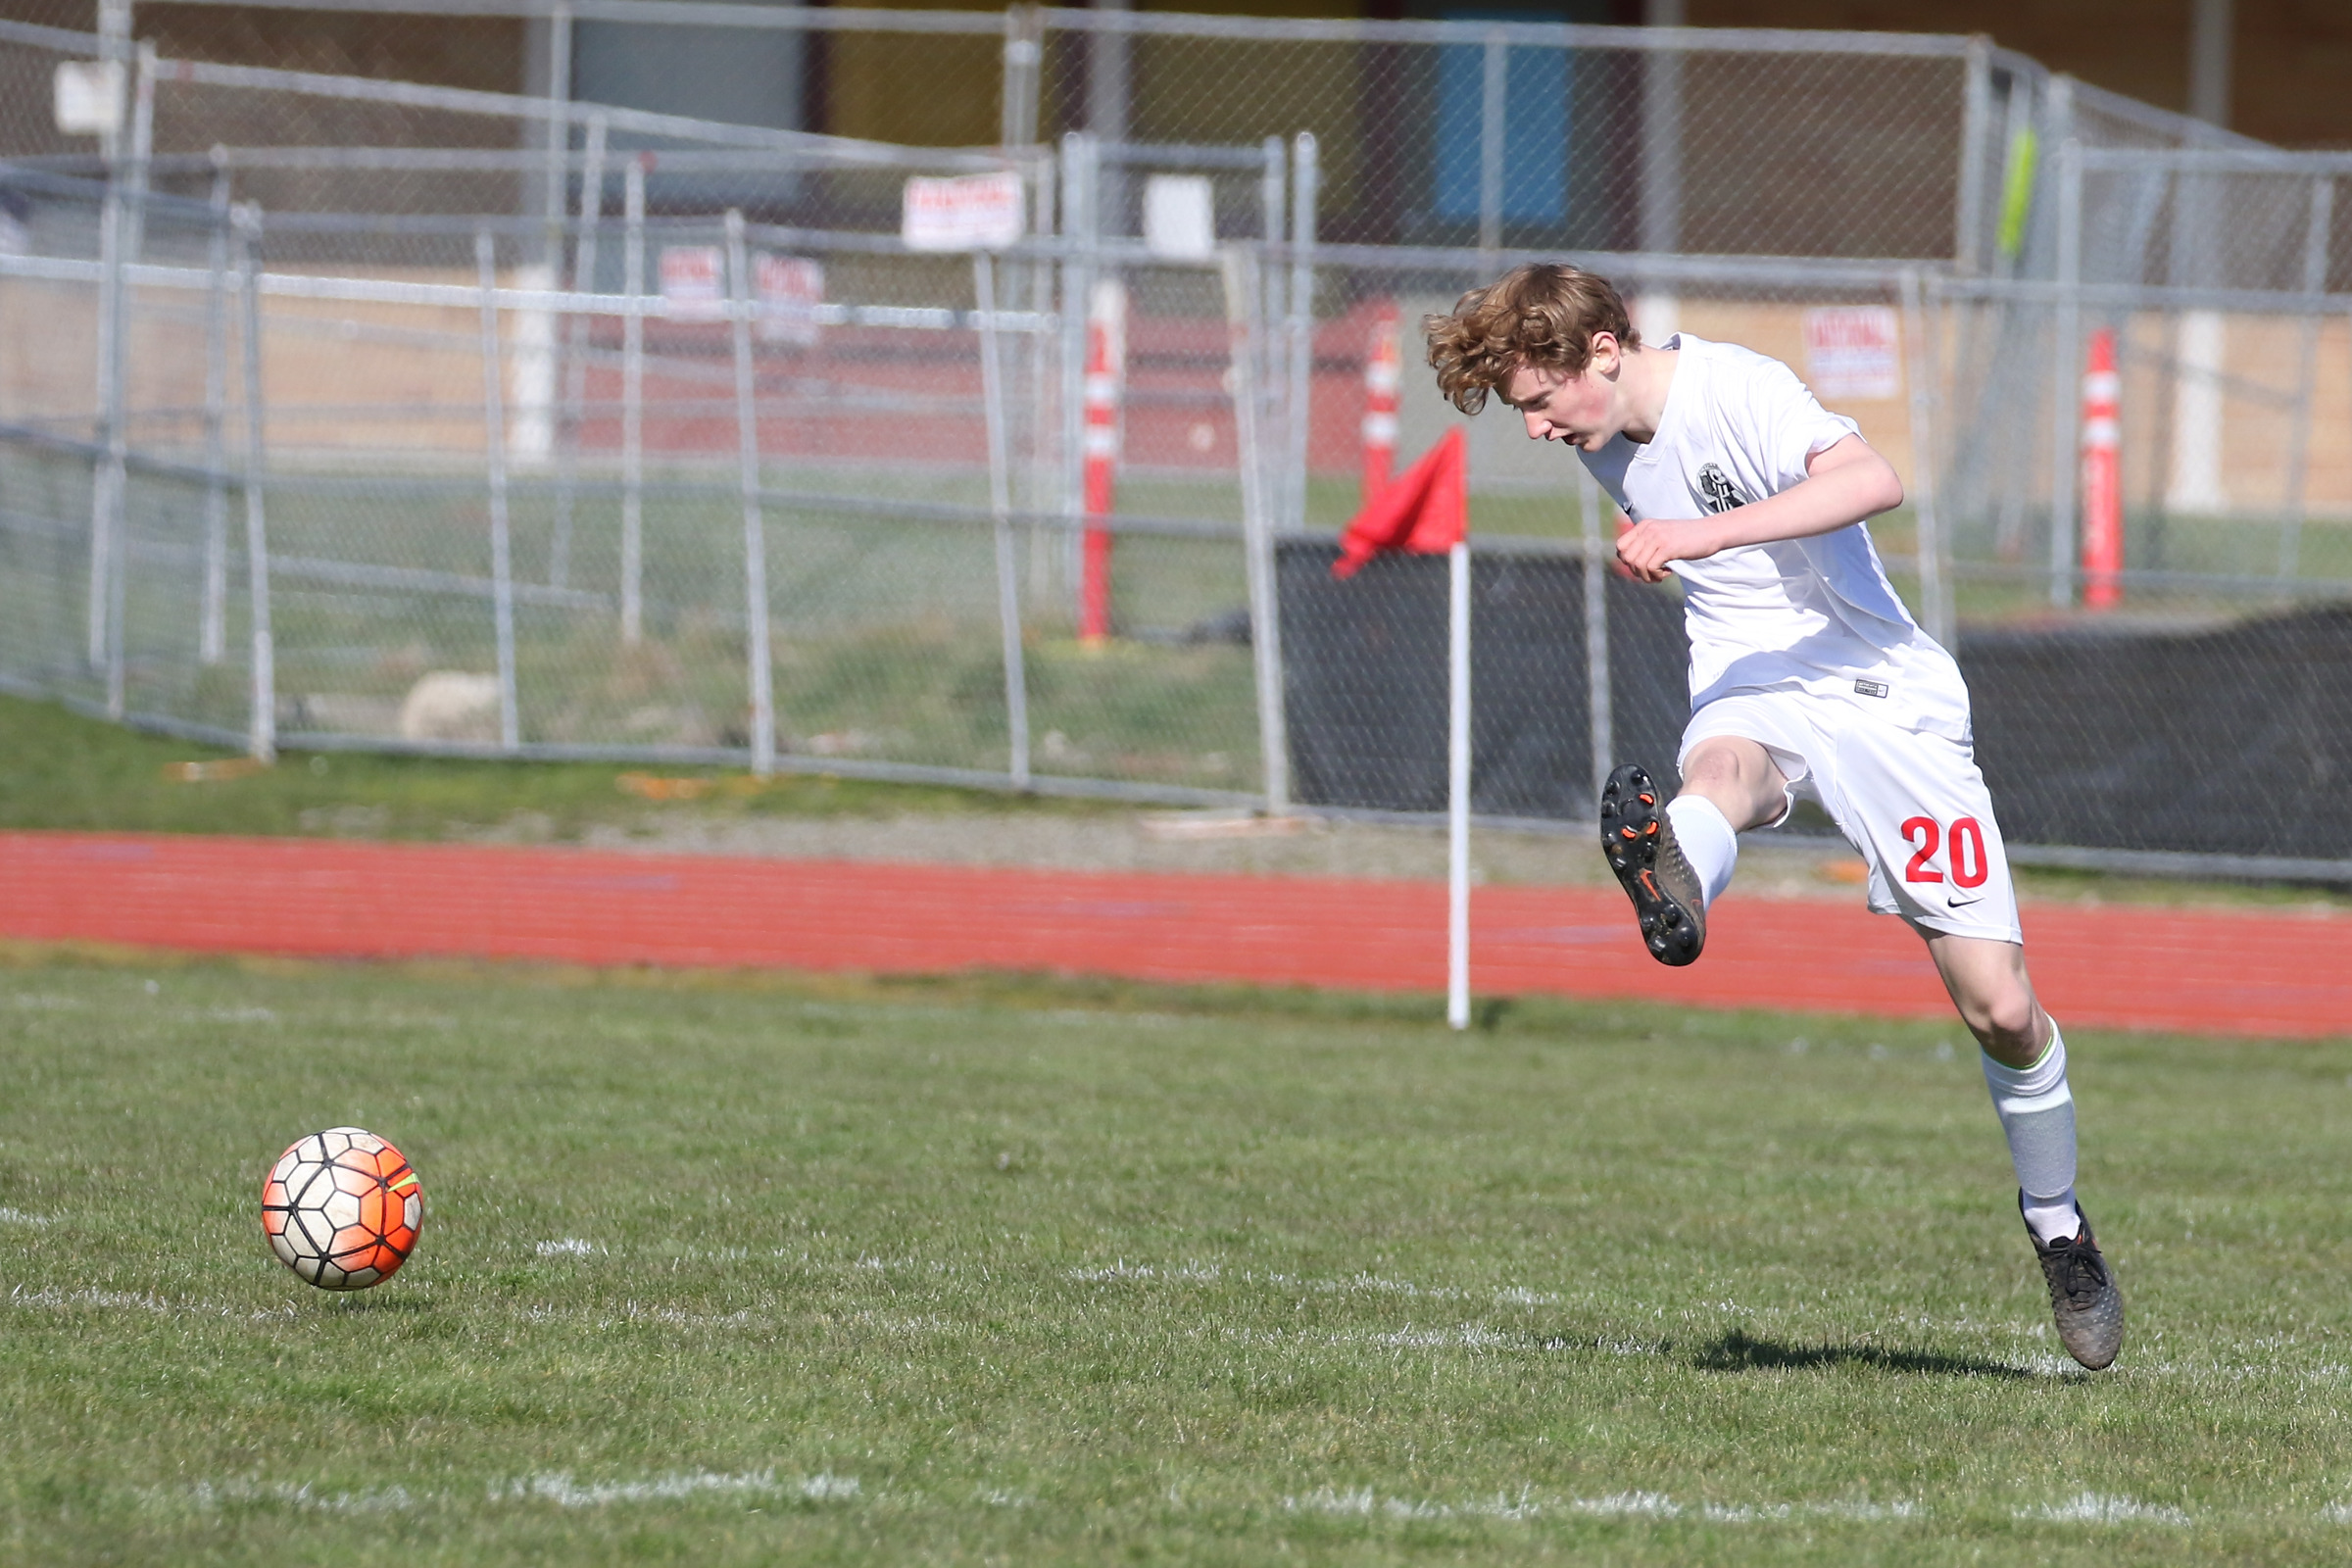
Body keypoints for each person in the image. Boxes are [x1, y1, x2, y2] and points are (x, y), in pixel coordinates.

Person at [1423, 264, 2123, 1371]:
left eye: (1541, 402)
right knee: (1721, 770)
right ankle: (1678, 881)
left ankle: (2059, 1227)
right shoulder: (1598, 433)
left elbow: (1874, 478)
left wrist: (1700, 537)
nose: (1540, 430)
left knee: (1999, 1006)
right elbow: (1666, 507)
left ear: (1602, 349)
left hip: (1880, 690)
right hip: (1748, 675)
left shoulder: (1735, 386)